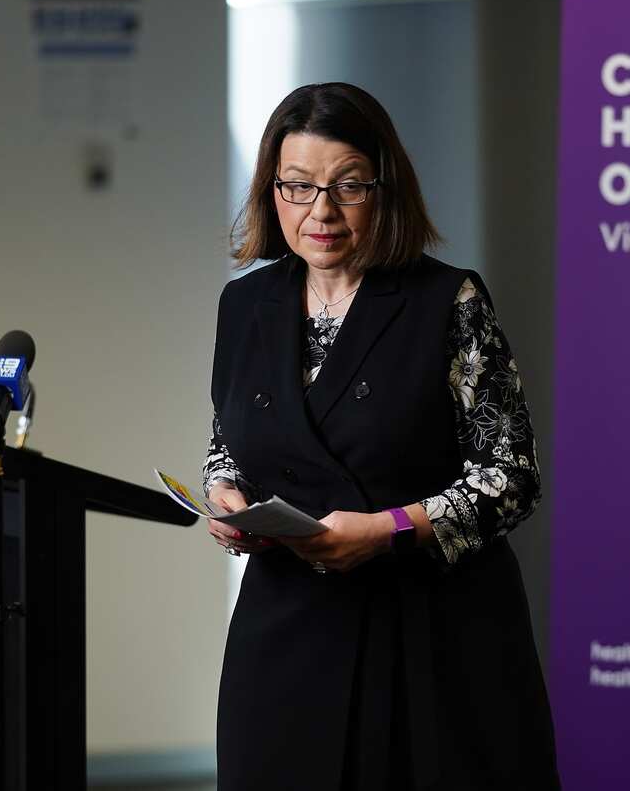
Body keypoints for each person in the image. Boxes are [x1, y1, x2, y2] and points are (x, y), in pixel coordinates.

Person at [202, 82, 559, 791]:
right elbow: (228, 439)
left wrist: (389, 529)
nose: (321, 211)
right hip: (286, 636)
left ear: (385, 188)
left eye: (348, 186)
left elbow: (512, 474)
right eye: (298, 186)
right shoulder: (245, 303)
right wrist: (225, 494)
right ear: (272, 189)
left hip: (431, 636)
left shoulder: (447, 300)